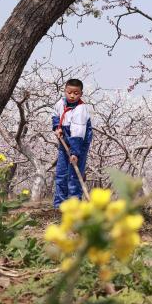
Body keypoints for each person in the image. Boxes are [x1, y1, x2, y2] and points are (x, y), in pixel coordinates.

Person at [51, 78, 93, 208]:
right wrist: (57, 127)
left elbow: (78, 133)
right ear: (65, 91)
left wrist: (75, 153)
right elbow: (55, 114)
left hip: (79, 143)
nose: (72, 96)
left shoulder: (80, 110)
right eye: (69, 92)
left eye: (76, 93)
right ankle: (59, 205)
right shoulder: (61, 103)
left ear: (81, 94)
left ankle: (75, 205)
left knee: (74, 175)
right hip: (64, 140)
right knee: (61, 174)